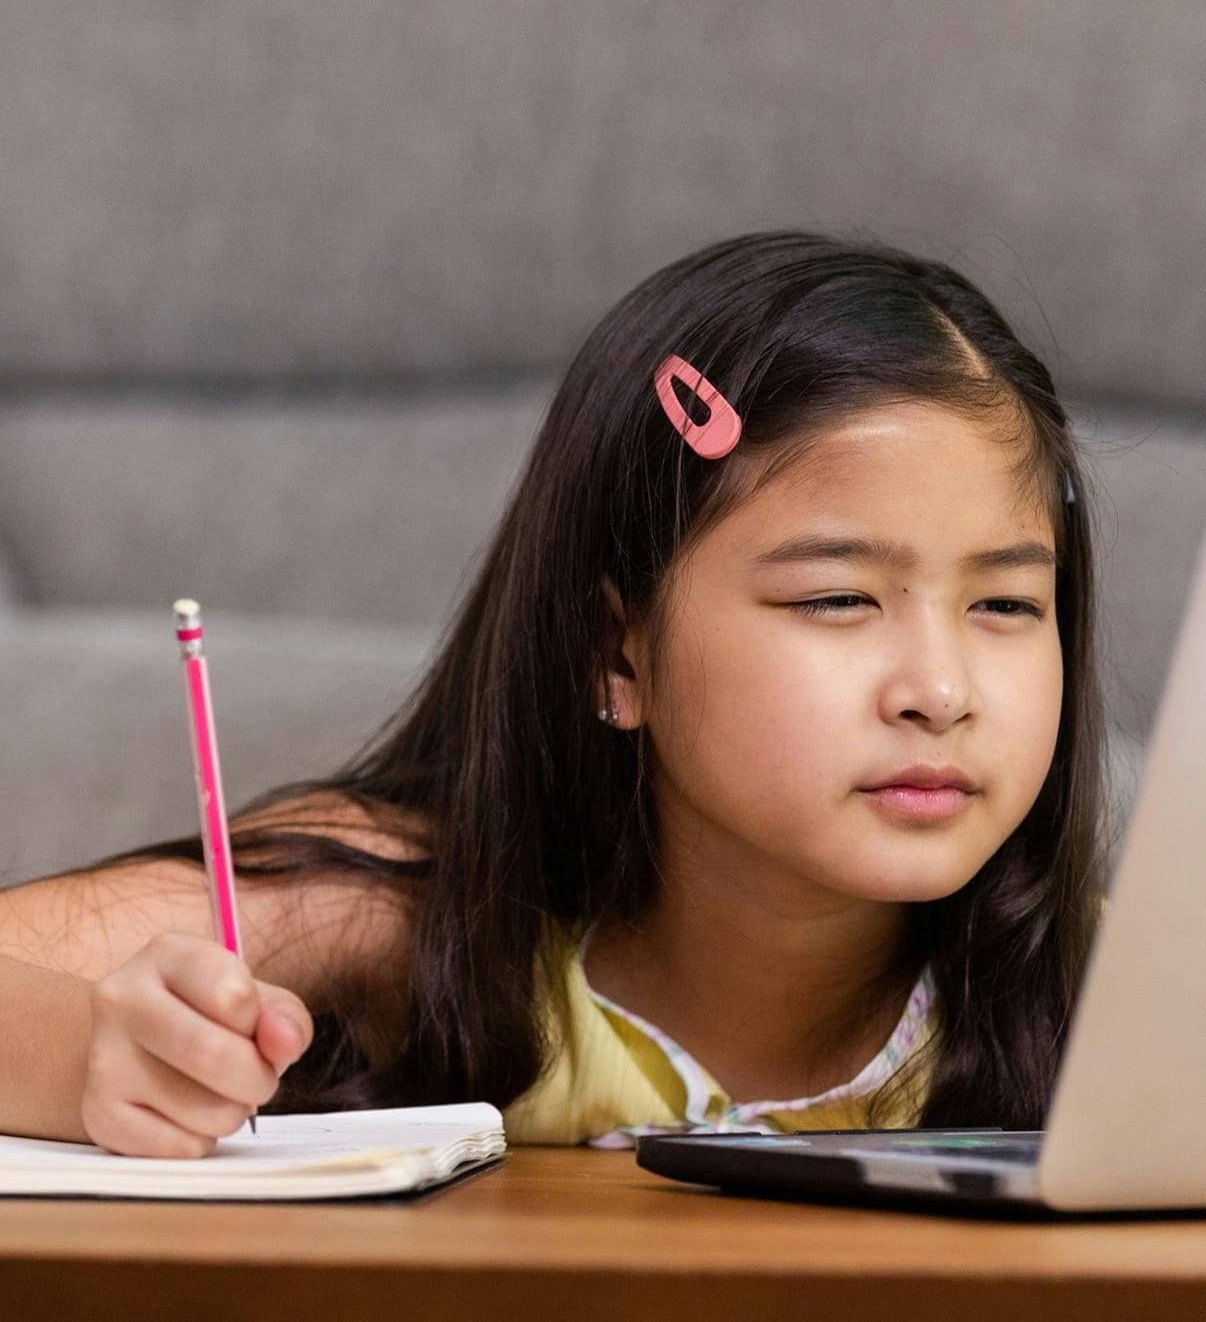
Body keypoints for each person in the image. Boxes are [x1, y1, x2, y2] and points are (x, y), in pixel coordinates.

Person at [0, 229, 1110, 1156]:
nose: (940, 689)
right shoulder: (400, 907)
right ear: (614, 652)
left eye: (1006, 607)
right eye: (836, 599)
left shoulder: (1131, 980)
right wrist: (89, 1053)